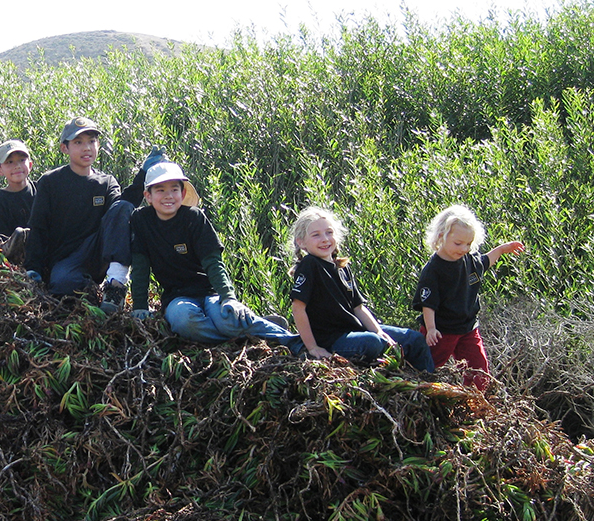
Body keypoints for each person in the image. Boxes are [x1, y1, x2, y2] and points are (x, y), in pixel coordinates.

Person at [129, 158, 298, 346]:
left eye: (174, 189)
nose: (168, 195)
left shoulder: (194, 217)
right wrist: (140, 307)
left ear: (183, 192)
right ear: (148, 196)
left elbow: (213, 263)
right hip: (176, 297)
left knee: (227, 318)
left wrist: (228, 298)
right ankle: (248, 333)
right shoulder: (141, 220)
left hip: (209, 292)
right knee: (185, 323)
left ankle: (292, 341)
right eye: (160, 190)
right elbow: (140, 267)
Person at [287, 206, 434, 371]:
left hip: (355, 331)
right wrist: (313, 347)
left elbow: (359, 308)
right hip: (332, 339)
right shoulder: (310, 265)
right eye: (316, 235)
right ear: (301, 242)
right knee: (372, 343)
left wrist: (379, 331)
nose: (325, 239)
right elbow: (298, 308)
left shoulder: (342, 267)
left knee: (414, 339)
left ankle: (428, 384)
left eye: (329, 232)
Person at [24, 117, 132, 312]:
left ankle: (115, 286)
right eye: (78, 142)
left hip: (98, 252)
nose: (87, 148)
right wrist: (34, 268)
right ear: (64, 148)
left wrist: (141, 178)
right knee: (63, 286)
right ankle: (87, 288)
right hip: (66, 259)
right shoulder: (50, 182)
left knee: (123, 207)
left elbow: (119, 219)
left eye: (92, 141)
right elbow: (38, 227)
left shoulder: (106, 182)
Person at [412, 204, 525, 389]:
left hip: (467, 328)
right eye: (458, 243)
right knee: (426, 369)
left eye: (468, 244)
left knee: (479, 371)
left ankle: (473, 405)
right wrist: (431, 329)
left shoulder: (468, 260)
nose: (464, 248)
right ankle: (419, 398)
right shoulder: (433, 269)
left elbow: (485, 261)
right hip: (441, 330)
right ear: (441, 236)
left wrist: (503, 249)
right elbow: (428, 304)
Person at [0, 139, 35, 264]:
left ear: (30, 164)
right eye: (9, 162)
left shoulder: (41, 191)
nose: (17, 166)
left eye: (21, 160)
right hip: (17, 263)